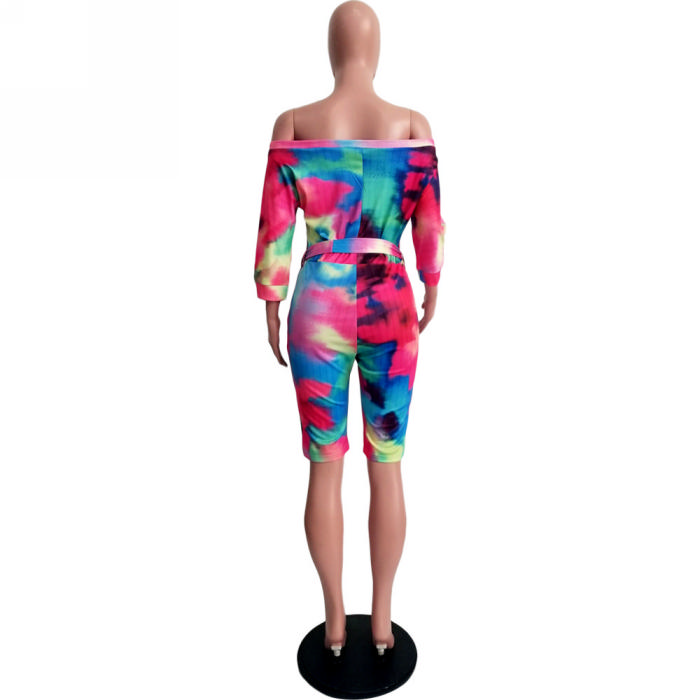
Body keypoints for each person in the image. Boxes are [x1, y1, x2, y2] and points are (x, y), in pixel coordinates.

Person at [253, 0, 445, 657]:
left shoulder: (295, 124)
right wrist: (433, 281)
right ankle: (382, 622)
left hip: (317, 305)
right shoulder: (412, 125)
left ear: (332, 49)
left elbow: (276, 226)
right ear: (375, 49)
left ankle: (337, 623)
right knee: (388, 461)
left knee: (324, 464)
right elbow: (431, 224)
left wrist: (271, 297)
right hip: (392, 302)